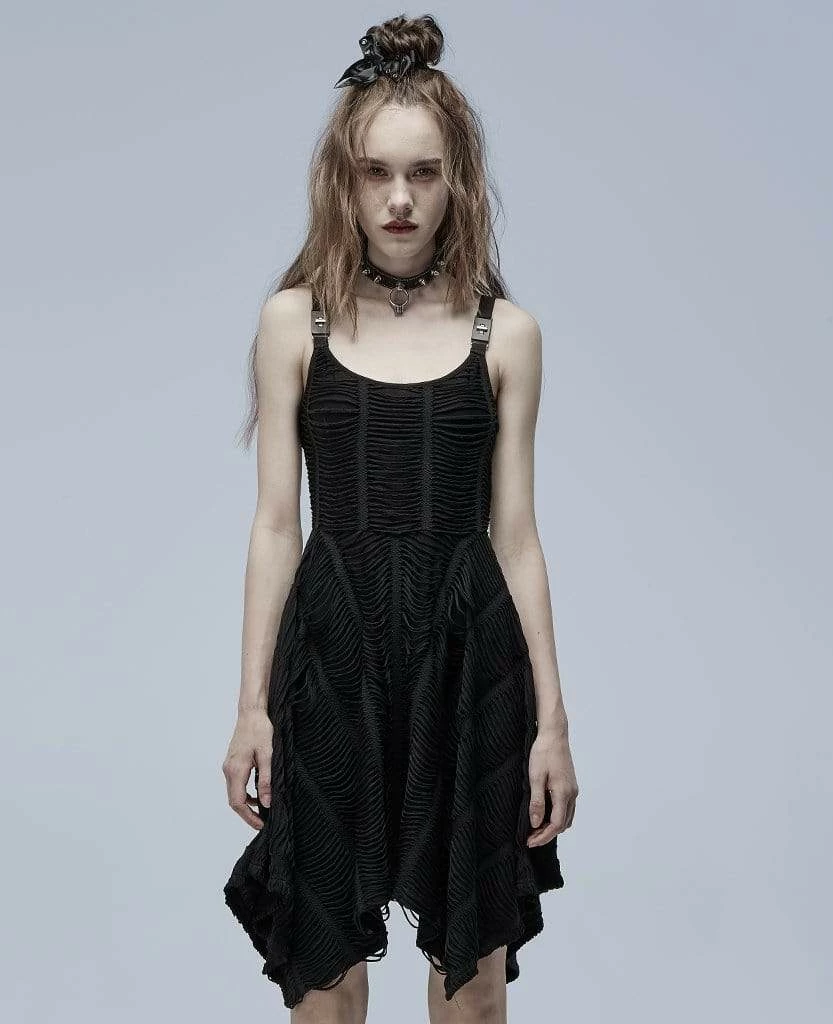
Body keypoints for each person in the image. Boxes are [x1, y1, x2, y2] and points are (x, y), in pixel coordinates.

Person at [222, 14, 579, 1023]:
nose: (398, 198)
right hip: (332, 662)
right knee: (324, 974)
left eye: (423, 173)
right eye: (376, 172)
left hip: (469, 667)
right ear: (341, 180)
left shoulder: (507, 335)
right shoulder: (294, 321)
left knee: (475, 982)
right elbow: (275, 526)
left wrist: (553, 724)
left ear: (458, 180)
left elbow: (517, 537)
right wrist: (251, 706)